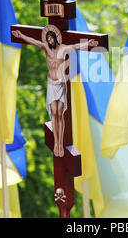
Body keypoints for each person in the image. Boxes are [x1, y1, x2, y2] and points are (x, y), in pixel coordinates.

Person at [12, 26, 98, 157]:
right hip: (51, 84)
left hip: (60, 83)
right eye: (48, 38)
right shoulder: (46, 48)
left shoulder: (63, 48)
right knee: (54, 113)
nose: (50, 40)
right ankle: (57, 143)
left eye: (51, 38)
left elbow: (75, 46)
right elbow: (34, 42)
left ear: (56, 38)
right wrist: (20, 36)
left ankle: (60, 142)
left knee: (60, 113)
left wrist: (88, 43)